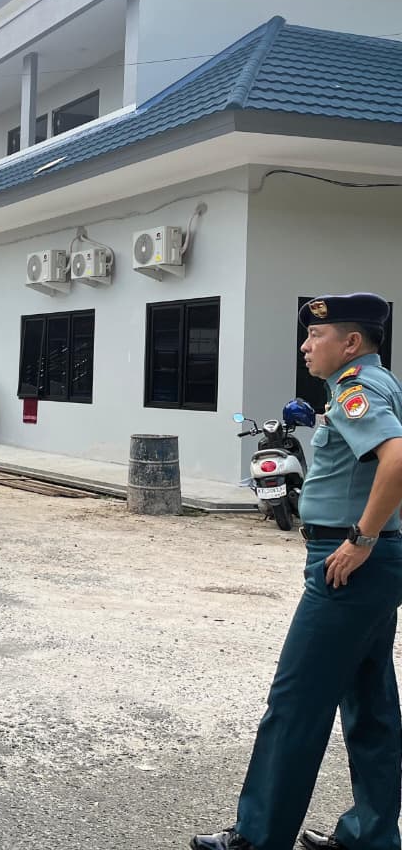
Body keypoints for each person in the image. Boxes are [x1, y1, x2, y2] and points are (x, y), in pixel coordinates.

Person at [192, 293, 402, 850]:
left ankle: (259, 838)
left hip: (348, 565)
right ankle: (371, 835)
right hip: (371, 565)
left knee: (295, 702)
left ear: (351, 343)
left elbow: (398, 460)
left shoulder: (359, 390)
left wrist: (362, 539)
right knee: (370, 702)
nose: (306, 346)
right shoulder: (368, 386)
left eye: (316, 336)